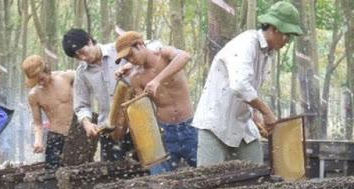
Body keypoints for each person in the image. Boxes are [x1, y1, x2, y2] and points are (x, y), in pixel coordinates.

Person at [192, 1, 303, 167]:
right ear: (274, 29)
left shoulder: (267, 54)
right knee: (209, 182)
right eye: (287, 34)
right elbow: (240, 85)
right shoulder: (246, 44)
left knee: (255, 176)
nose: (288, 40)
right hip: (215, 124)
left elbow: (248, 93)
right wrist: (267, 112)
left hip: (243, 126)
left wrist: (257, 117)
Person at [115, 31, 198, 175]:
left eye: (131, 55)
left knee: (205, 172)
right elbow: (144, 111)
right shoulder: (136, 77)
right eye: (126, 58)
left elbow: (185, 56)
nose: (131, 60)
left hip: (191, 126)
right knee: (160, 178)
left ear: (140, 45)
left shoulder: (165, 55)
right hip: (166, 132)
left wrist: (157, 80)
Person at [62, 29, 134, 161]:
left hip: (137, 124)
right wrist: (87, 123)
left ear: (90, 41)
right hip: (109, 130)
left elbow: (154, 47)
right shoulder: (82, 73)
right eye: (77, 57)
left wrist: (130, 64)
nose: (83, 58)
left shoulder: (118, 50)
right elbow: (81, 105)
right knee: (111, 177)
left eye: (83, 52)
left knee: (147, 173)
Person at [22, 55, 75, 170]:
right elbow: (37, 123)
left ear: (47, 70)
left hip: (77, 133)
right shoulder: (34, 95)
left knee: (81, 170)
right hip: (56, 136)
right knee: (51, 175)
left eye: (41, 79)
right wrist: (38, 140)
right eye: (36, 81)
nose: (40, 83)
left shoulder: (67, 77)